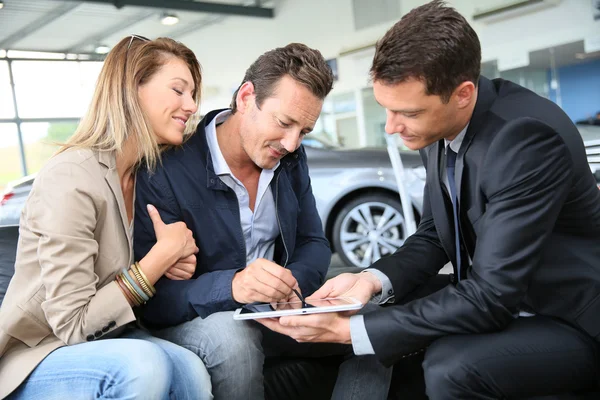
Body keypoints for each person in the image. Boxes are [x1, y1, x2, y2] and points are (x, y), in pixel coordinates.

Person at [259, 2, 600, 399]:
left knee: (448, 366)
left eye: (407, 112)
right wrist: (369, 281)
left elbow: (491, 296)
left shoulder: (525, 139)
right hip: (497, 294)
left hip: (568, 317)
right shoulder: (438, 126)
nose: (391, 127)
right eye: (386, 109)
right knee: (351, 312)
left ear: (462, 94)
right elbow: (435, 234)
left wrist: (351, 332)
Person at [134, 43, 391, 399]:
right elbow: (154, 301)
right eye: (284, 123)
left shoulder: (290, 157)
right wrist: (233, 287)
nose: (291, 142)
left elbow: (313, 242)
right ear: (245, 97)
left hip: (275, 313)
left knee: (376, 326)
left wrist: (291, 287)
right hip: (202, 322)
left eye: (304, 131)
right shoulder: (165, 170)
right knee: (232, 339)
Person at [0, 35, 212, 400]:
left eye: (192, 94)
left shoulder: (144, 175)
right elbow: (73, 324)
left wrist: (172, 259)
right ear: (132, 90)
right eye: (179, 90)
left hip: (115, 339)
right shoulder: (72, 177)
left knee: (190, 370)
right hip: (42, 354)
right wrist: (158, 260)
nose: (190, 105)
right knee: (143, 366)